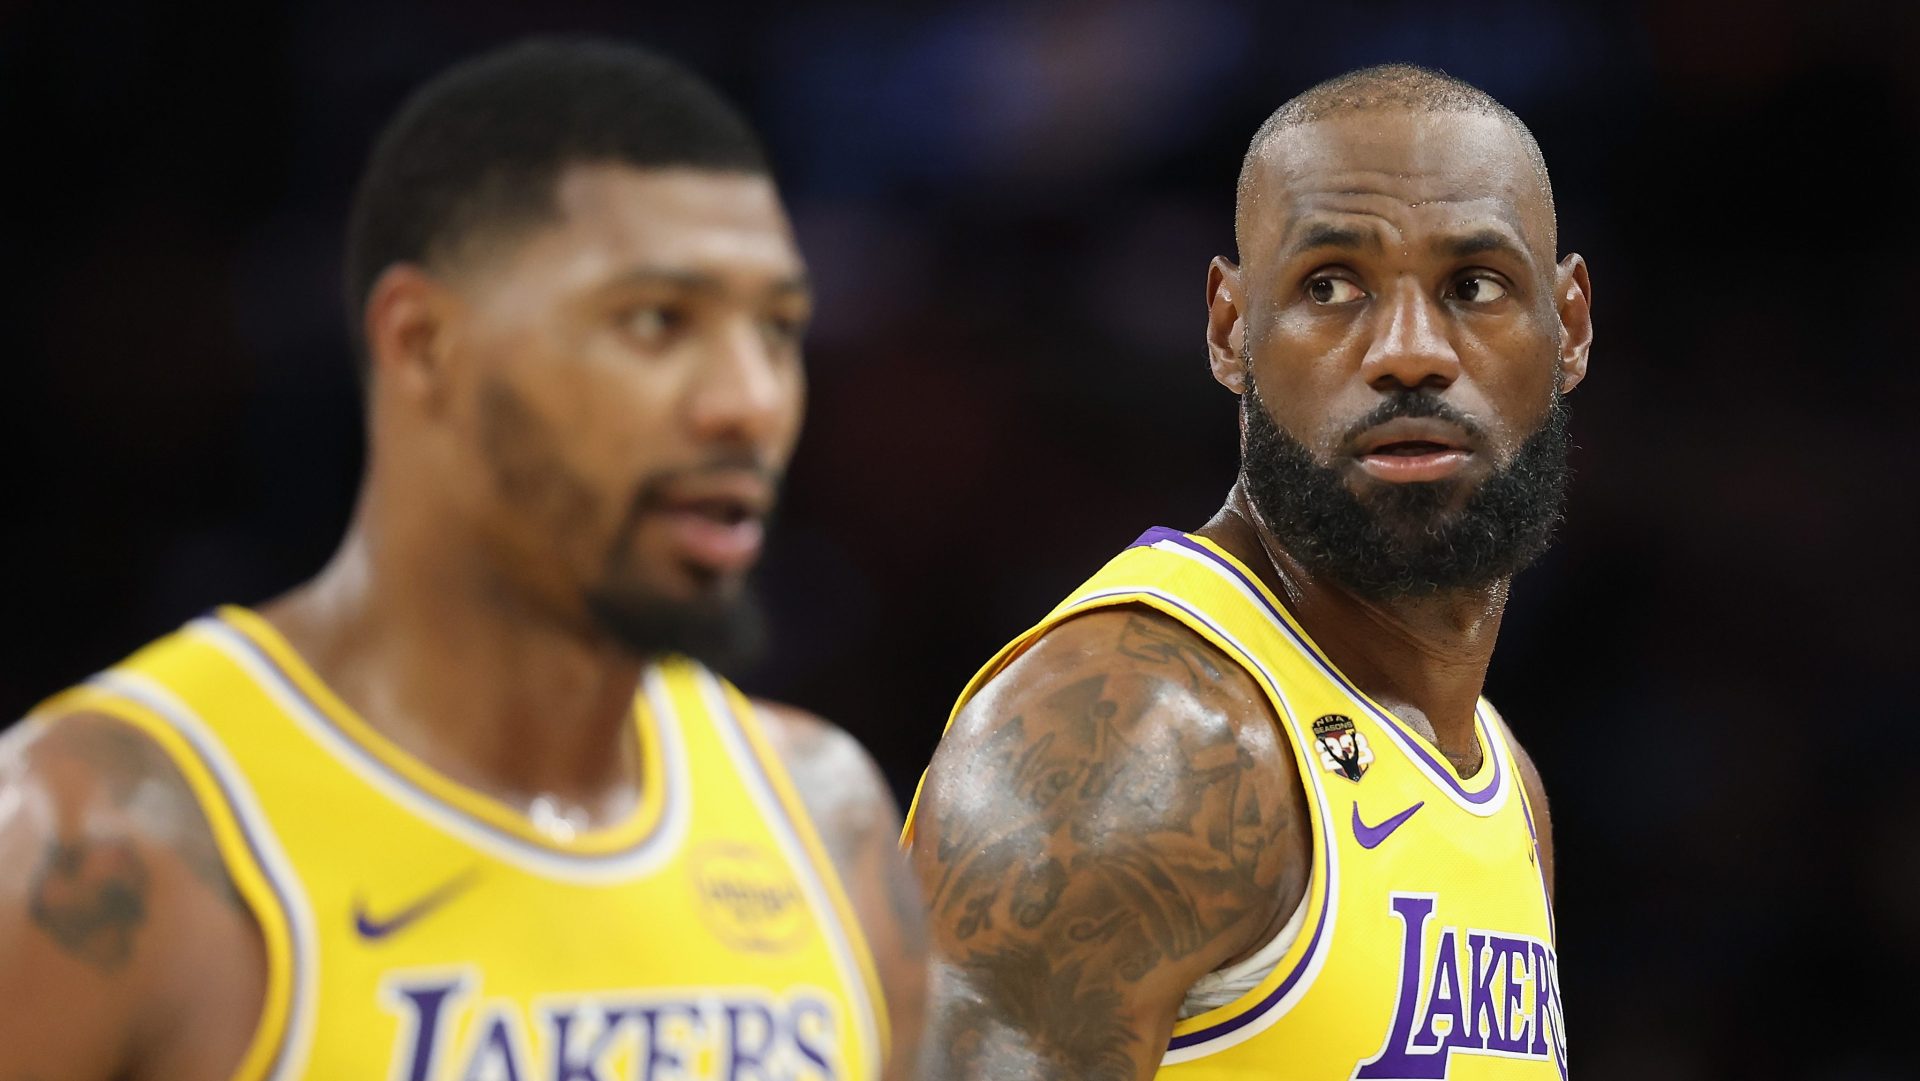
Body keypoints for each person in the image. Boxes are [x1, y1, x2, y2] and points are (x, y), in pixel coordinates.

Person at [0, 38, 924, 1081]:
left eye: (779, 328)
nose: (749, 401)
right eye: (658, 321)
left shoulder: (821, 815)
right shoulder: (101, 838)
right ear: (422, 342)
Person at [905, 63, 1590, 1080]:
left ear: (1570, 326)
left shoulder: (1499, 772)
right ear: (1230, 328)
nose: (1409, 351)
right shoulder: (1135, 735)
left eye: (1473, 287)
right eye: (1331, 285)